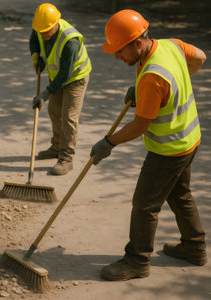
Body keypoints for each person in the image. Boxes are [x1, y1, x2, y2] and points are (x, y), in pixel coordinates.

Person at [91, 9, 207, 281]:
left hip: (168, 150)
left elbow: (140, 126)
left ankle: (137, 261)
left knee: (144, 205)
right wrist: (158, 90)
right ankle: (195, 247)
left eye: (120, 51)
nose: (117, 57)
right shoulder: (171, 45)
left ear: (138, 43)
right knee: (180, 195)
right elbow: (200, 56)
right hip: (190, 140)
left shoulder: (153, 76)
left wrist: (108, 142)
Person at [30, 3, 92, 175]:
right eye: (40, 30)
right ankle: (57, 146)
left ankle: (66, 157)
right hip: (56, 76)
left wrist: (45, 93)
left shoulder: (69, 40)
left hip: (75, 78)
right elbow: (34, 39)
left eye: (46, 31)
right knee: (54, 111)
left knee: (69, 117)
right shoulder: (41, 27)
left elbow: (65, 75)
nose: (43, 34)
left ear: (55, 24)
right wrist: (35, 55)